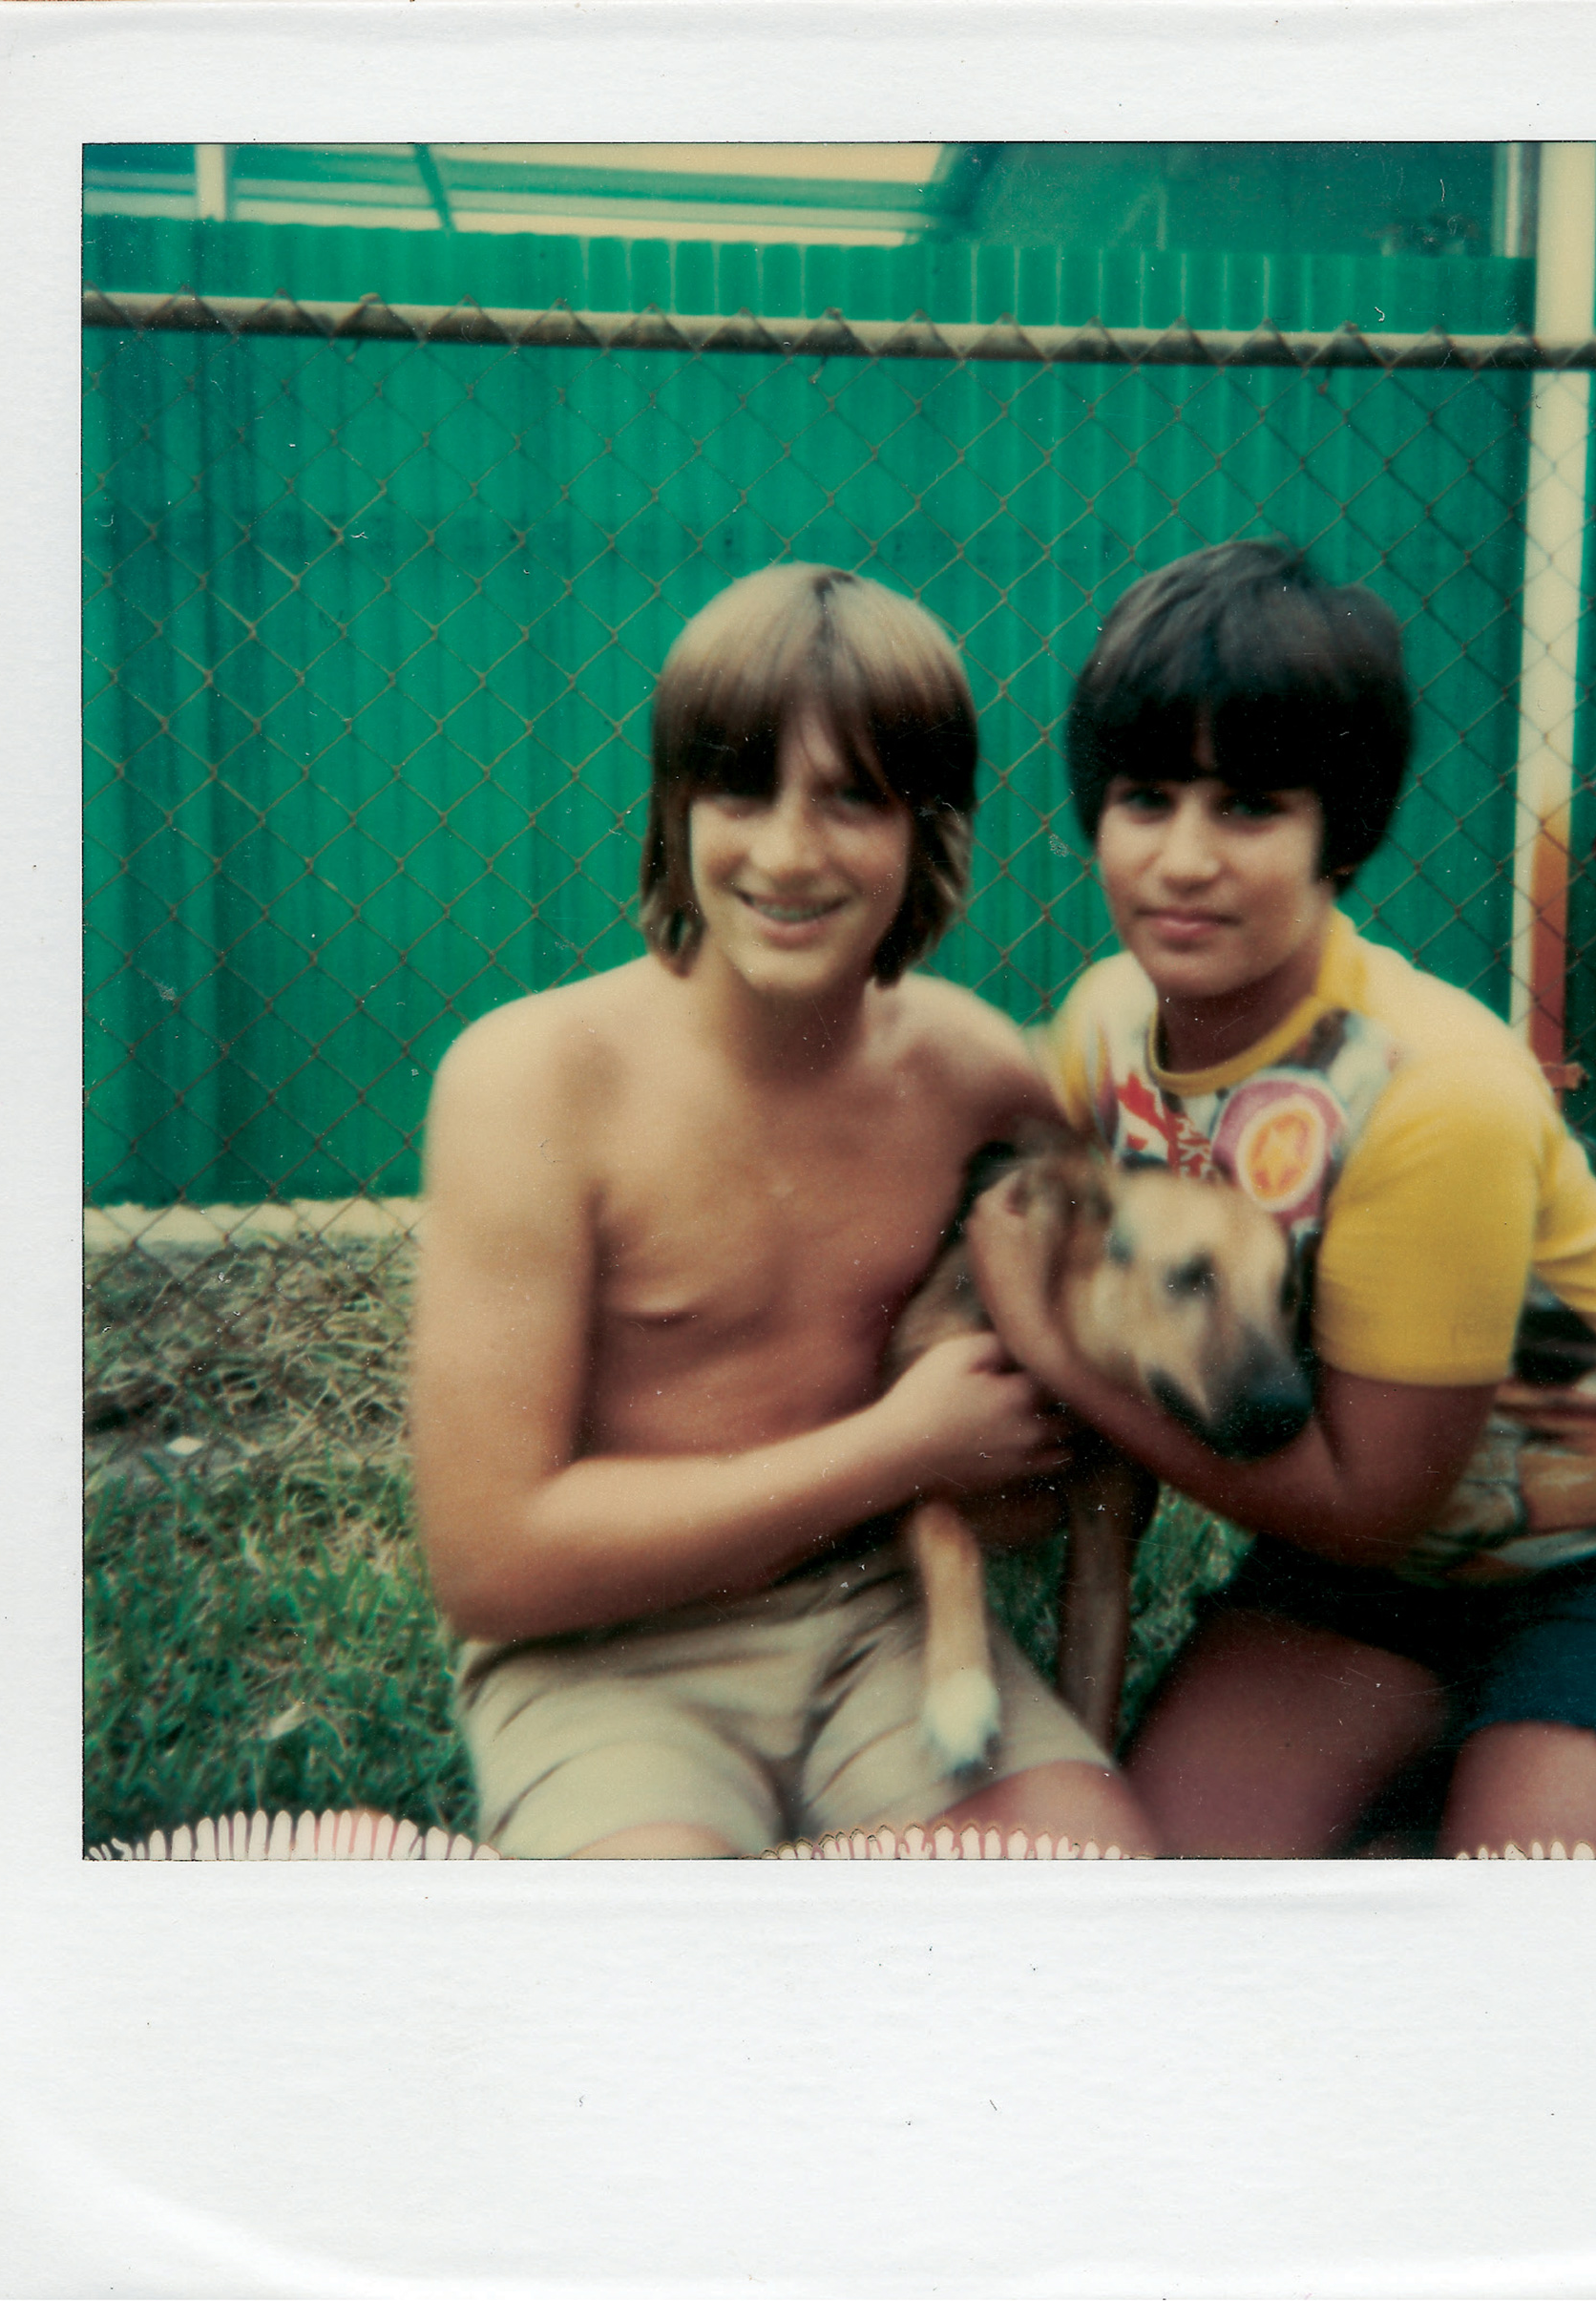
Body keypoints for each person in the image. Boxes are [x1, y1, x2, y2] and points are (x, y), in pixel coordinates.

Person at [965, 540, 1596, 1859]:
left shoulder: (1432, 1091)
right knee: (1182, 1898)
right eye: (1146, 796)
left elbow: (1366, 1493)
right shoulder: (1108, 1024)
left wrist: (1048, 1341)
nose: (1181, 858)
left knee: (1552, 1940)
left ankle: (1566, 1754)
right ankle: (1443, 1759)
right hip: (1377, 1577)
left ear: (1337, 832)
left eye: (1248, 808)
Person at [410, 563, 1154, 1858]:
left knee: (1079, 1908)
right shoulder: (530, 1083)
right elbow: (491, 1560)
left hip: (888, 1628)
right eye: (743, 789)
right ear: (673, 808)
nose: (791, 850)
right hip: (608, 1657)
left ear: (931, 829)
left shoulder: (971, 1069)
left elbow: (1161, 1210)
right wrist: (903, 1449)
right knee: (677, 1986)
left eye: (854, 797)